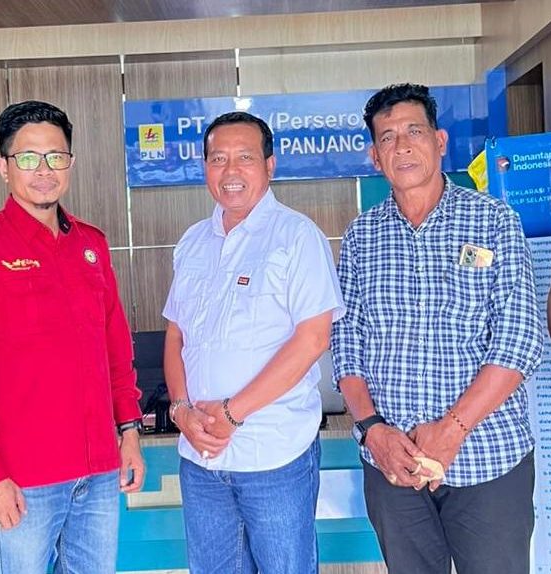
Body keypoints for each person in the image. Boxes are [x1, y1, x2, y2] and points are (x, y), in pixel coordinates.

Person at [331, 83, 543, 574]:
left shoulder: (493, 220)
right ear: (375, 157)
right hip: (392, 465)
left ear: (440, 141)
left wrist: (452, 430)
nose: (402, 146)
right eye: (387, 138)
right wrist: (372, 430)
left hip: (487, 460)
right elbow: (346, 344)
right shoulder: (362, 236)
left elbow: (520, 339)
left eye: (414, 131)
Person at [0, 100, 145, 574]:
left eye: (55, 156)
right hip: (21, 481)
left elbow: (115, 351)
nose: (44, 170)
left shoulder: (91, 245)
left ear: (70, 163)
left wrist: (130, 431)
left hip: (98, 475)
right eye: (28, 157)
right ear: (3, 166)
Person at [162, 111, 344, 574]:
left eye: (244, 157)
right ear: (205, 167)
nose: (230, 171)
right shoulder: (192, 241)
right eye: (218, 159)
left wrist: (231, 414)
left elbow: (313, 339)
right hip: (201, 460)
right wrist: (180, 410)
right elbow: (176, 334)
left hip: (274, 457)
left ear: (269, 165)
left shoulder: (296, 236)